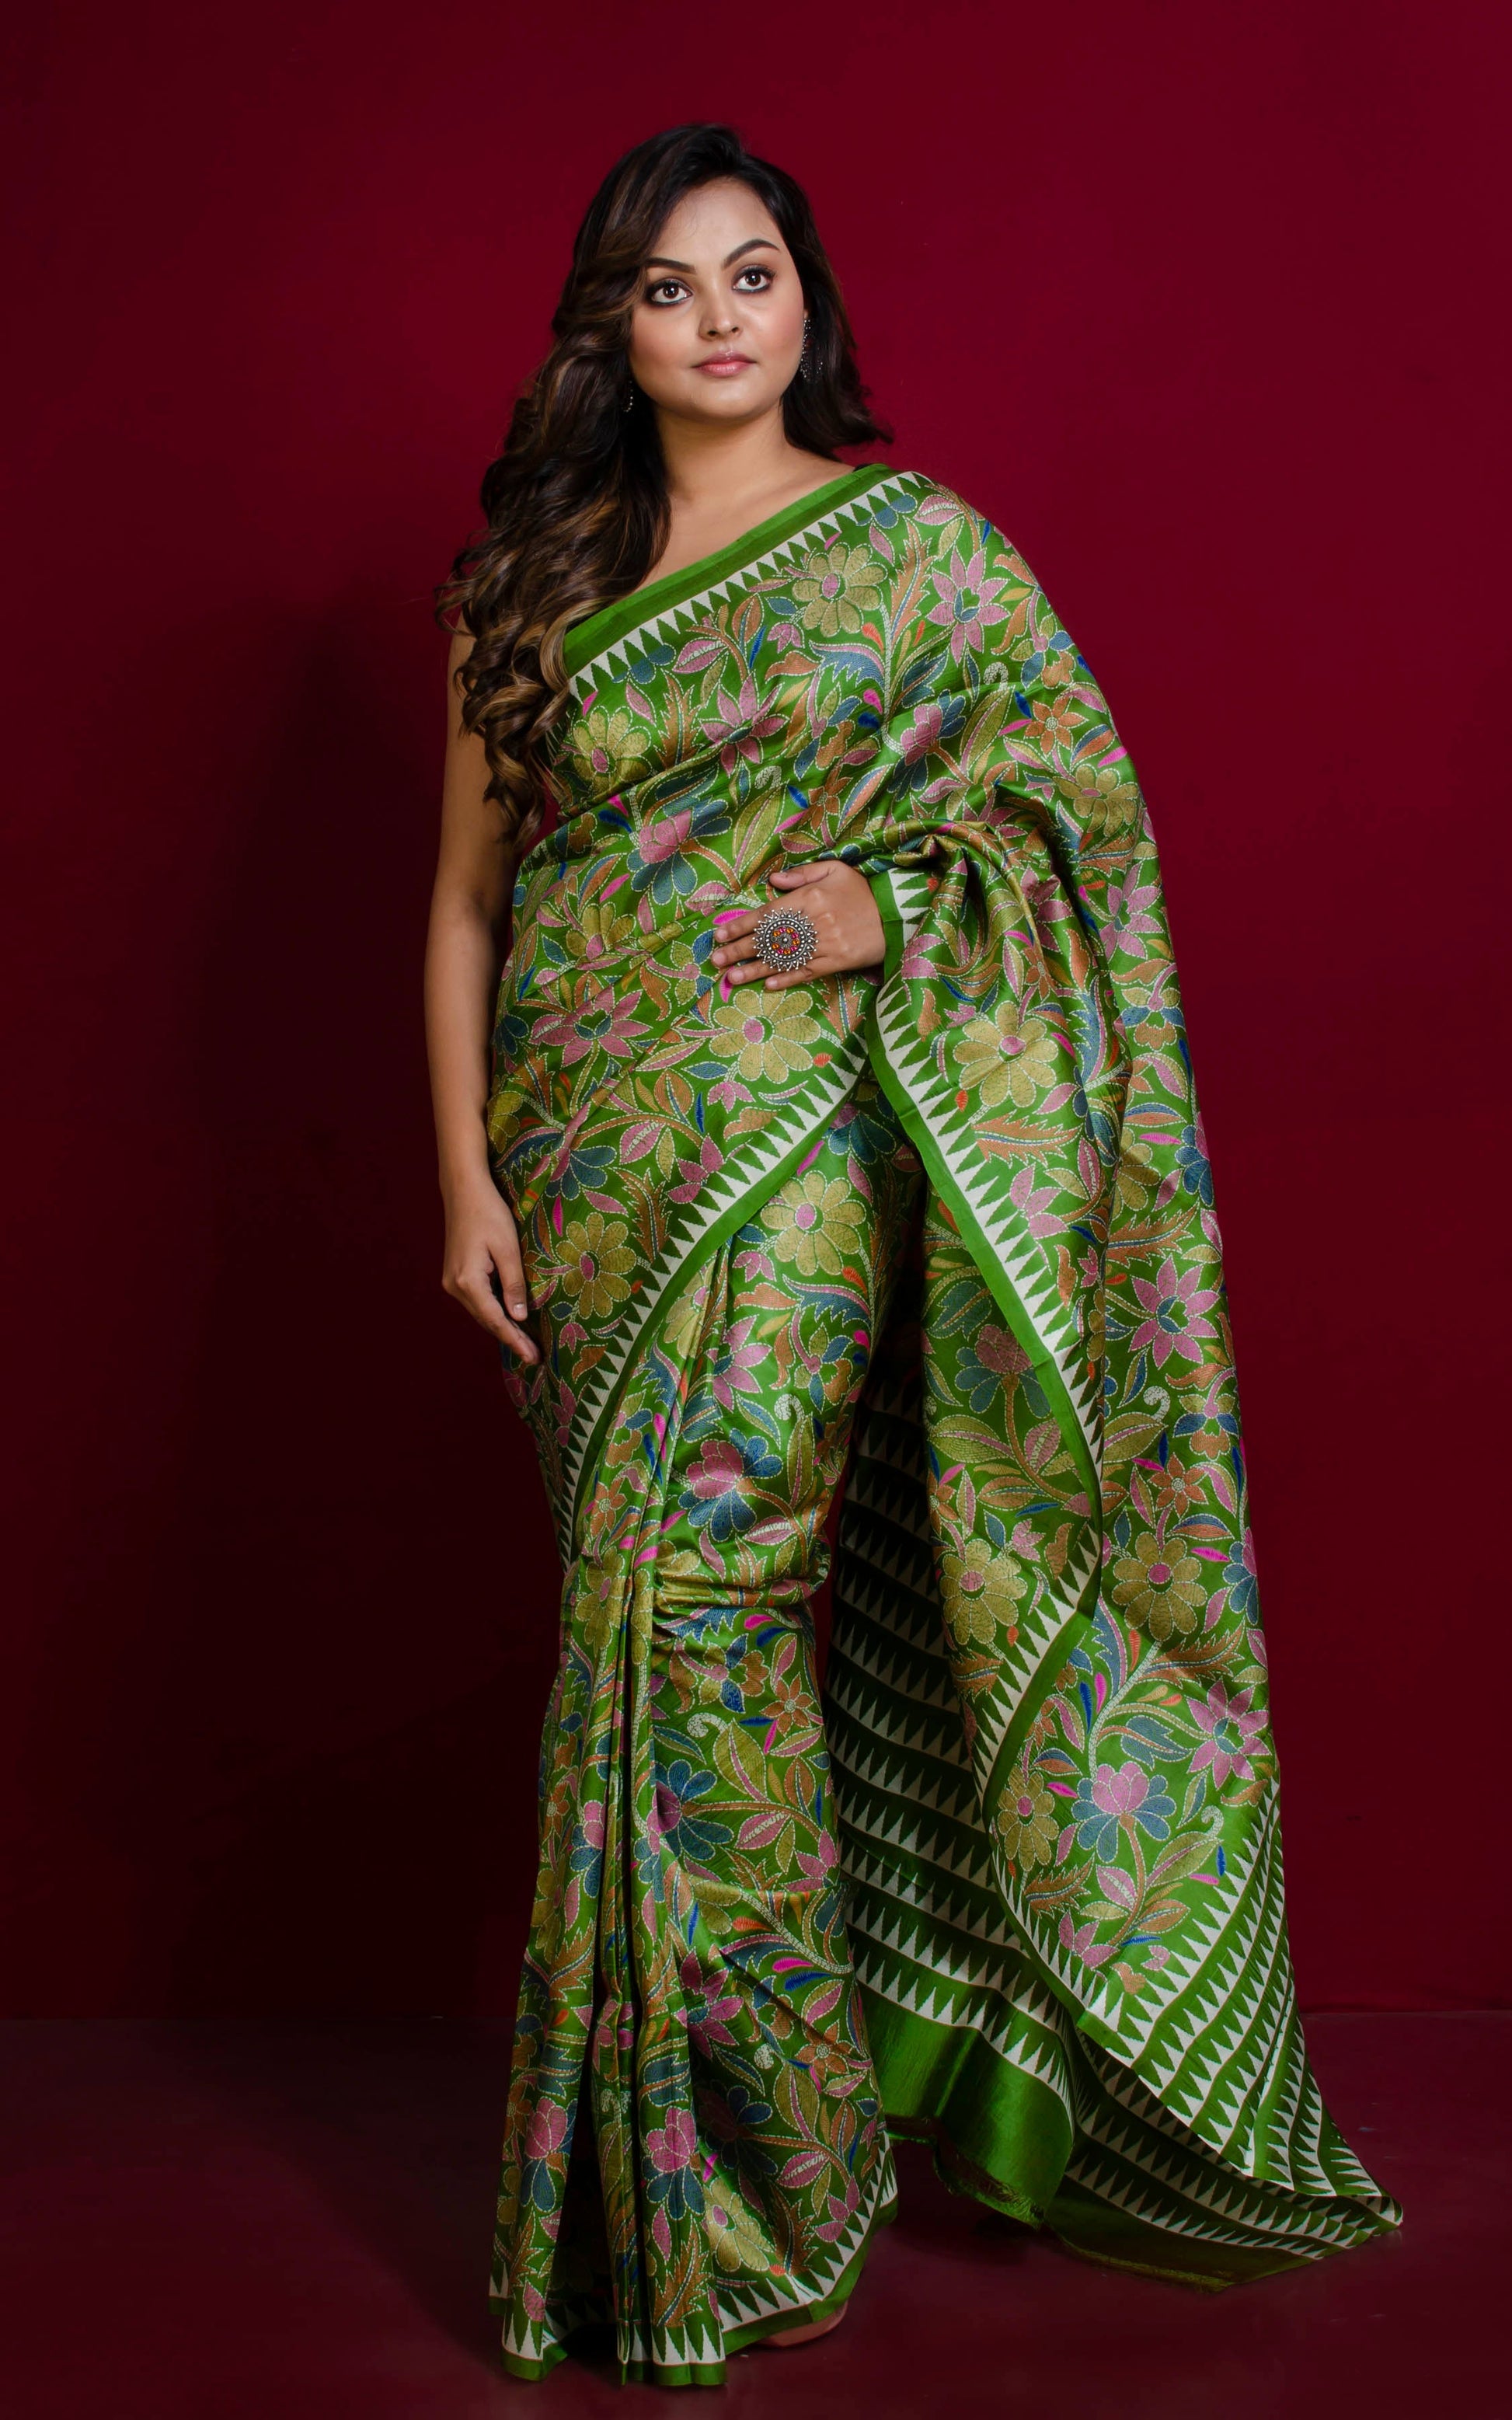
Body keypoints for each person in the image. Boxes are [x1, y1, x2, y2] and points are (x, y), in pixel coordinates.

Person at [425, 121, 1399, 2389]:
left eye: (753, 272)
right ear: (611, 330)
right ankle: (690, 2183)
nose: (719, 317)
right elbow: (468, 905)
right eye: (669, 286)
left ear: (807, 301)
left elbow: (1080, 831)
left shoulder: (921, 558)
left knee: (710, 1616)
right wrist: (464, 1180)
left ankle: (765, 2182)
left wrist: (888, 902)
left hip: (797, 1164)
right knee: (632, 1644)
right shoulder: (526, 587)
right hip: (581, 1168)